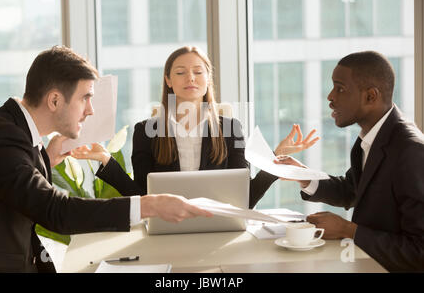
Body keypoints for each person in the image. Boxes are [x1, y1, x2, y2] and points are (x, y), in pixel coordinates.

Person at [0, 46, 212, 273]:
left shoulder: (14, 129)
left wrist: (46, 159)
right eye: (85, 98)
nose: (91, 110)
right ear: (55, 100)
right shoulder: (3, 137)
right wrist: (150, 205)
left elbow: (16, 188)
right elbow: (56, 211)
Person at [73, 46, 319, 209]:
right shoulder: (145, 131)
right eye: (180, 72)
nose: (190, 78)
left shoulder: (231, 128)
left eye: (197, 72)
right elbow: (140, 196)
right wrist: (106, 159)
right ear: (168, 81)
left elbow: (246, 199)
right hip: (166, 230)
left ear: (207, 79)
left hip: (219, 227)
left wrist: (274, 159)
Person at [276, 51, 424, 272]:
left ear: (370, 97)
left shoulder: (411, 151)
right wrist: (304, 176)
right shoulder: (371, 137)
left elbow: (419, 251)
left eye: (340, 88)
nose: (330, 97)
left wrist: (348, 230)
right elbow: (352, 189)